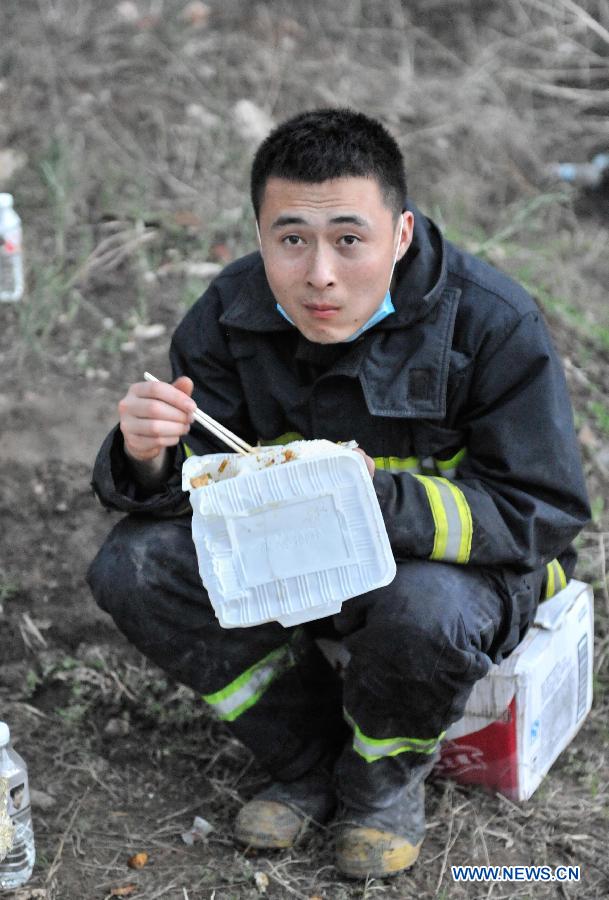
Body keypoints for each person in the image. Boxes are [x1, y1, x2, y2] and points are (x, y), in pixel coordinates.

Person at [88, 108, 590, 880]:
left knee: (419, 610)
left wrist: (375, 500)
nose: (319, 273)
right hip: (298, 563)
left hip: (450, 575)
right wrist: (145, 455)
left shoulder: (489, 322)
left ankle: (382, 781)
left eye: (349, 240)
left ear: (401, 234)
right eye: (291, 239)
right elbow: (198, 489)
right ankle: (305, 753)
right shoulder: (229, 314)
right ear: (260, 238)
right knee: (134, 566)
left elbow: (541, 510)